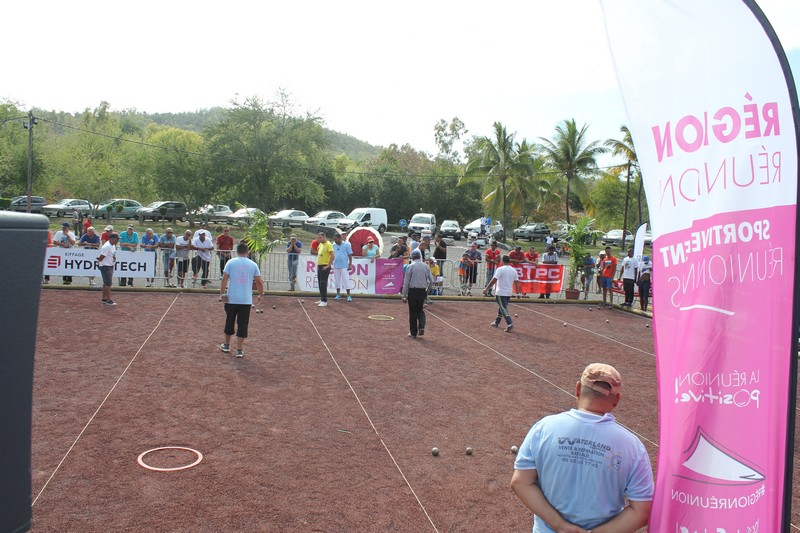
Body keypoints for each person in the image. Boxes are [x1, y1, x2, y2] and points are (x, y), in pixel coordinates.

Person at [511, 363, 654, 533]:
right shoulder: (633, 446)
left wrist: (560, 526)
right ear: (616, 400)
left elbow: (520, 482)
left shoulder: (543, 428)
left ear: (578, 389)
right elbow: (642, 510)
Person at [218, 241, 264, 358]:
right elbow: (259, 282)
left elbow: (224, 280)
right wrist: (260, 294)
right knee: (243, 324)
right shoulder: (253, 264)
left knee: (230, 321)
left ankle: (227, 345)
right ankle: (239, 349)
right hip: (246, 300)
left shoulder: (230, 262)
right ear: (247, 252)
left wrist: (222, 293)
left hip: (231, 298)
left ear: (237, 251)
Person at [483, 254, 522, 332]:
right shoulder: (513, 270)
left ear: (502, 261)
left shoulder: (500, 269)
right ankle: (497, 322)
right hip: (508, 293)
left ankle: (509, 323)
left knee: (503, 308)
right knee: (502, 307)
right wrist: (518, 293)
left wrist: (487, 288)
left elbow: (494, 279)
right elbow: (517, 282)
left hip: (501, 292)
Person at [401, 248, 433, 338]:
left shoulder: (410, 266)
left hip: (413, 291)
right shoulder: (426, 266)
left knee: (413, 312)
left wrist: (404, 295)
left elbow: (406, 282)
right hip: (422, 291)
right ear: (420, 257)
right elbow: (431, 281)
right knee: (420, 310)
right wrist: (427, 291)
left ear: (412, 257)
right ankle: (422, 326)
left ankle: (413, 332)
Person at [97, 232, 120, 306]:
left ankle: (104, 298)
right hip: (106, 266)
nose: (118, 241)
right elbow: (101, 257)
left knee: (106, 283)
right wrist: (98, 258)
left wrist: (113, 258)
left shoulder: (112, 245)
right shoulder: (107, 246)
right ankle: (109, 299)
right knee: (108, 284)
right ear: (113, 239)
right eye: (117, 239)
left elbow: (111, 255)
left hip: (108, 265)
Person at [332, 233, 353, 301]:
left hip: (344, 265)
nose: (334, 240)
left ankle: (349, 295)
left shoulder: (347, 245)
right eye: (334, 239)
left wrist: (350, 264)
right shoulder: (333, 245)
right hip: (335, 265)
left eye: (336, 239)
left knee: (346, 280)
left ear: (340, 238)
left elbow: (350, 255)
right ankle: (338, 294)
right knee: (337, 281)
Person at [315, 231, 334, 307]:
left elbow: (333, 256)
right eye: (318, 238)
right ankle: (322, 298)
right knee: (320, 282)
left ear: (324, 237)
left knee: (323, 283)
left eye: (320, 238)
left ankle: (324, 300)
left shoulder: (329, 245)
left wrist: (328, 265)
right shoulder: (320, 244)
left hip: (325, 266)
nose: (319, 239)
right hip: (320, 265)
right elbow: (318, 252)